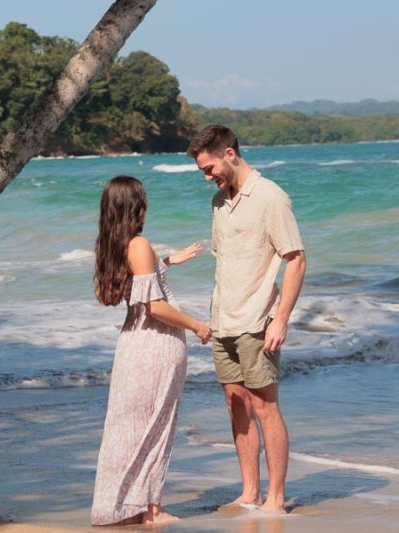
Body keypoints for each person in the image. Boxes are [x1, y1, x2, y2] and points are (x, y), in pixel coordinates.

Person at [187, 125, 306, 513]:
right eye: (203, 170)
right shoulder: (218, 203)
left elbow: (296, 260)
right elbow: (226, 262)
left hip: (258, 320)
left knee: (265, 407)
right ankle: (250, 491)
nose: (207, 176)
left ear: (230, 154)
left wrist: (281, 319)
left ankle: (275, 497)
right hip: (224, 319)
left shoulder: (272, 197)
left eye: (209, 168)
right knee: (236, 405)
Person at [90, 176, 212, 526]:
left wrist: (169, 261)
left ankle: (122, 505)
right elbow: (155, 307)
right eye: (143, 200)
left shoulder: (108, 243)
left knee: (127, 427)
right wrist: (197, 325)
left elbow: (137, 283)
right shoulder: (139, 243)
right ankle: (151, 510)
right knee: (156, 425)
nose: (147, 206)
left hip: (131, 343)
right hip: (156, 343)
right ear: (136, 206)